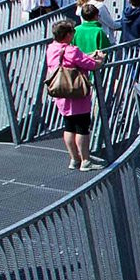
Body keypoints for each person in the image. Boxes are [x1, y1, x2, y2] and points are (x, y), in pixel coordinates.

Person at [45, 19, 107, 171]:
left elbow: (72, 61)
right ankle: (85, 161)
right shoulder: (71, 50)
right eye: (72, 32)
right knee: (82, 128)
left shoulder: (51, 48)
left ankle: (74, 159)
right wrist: (100, 59)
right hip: (77, 94)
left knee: (69, 127)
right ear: (67, 35)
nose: (74, 34)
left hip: (61, 93)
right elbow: (92, 65)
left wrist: (87, 55)